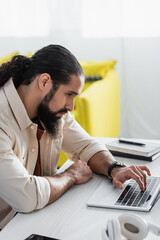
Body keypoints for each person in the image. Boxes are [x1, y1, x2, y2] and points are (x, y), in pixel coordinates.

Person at [0, 45, 151, 229]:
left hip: (39, 218)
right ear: (44, 81)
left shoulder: (50, 111)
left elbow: (85, 146)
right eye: (69, 94)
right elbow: (27, 196)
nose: (71, 106)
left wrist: (114, 169)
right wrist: (70, 175)